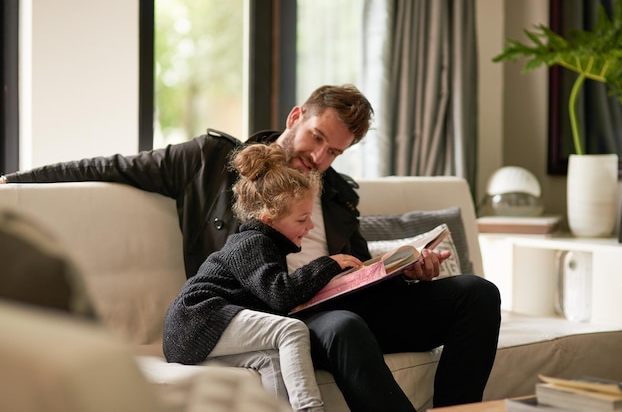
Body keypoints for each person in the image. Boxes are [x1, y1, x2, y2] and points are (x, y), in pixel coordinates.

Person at [1, 84, 501, 410]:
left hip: (347, 301)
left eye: (335, 152)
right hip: (279, 309)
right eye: (317, 138)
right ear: (296, 115)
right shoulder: (213, 161)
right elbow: (111, 166)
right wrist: (13, 181)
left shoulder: (339, 192)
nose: (320, 158)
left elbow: (361, 265)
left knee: (476, 294)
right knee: (344, 326)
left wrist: (403, 271)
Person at [163, 143, 362, 412]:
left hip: (193, 332)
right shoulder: (252, 243)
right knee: (290, 330)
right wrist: (328, 264)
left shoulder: (267, 244)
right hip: (196, 318)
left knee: (270, 359)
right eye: (303, 219)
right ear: (269, 219)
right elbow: (280, 294)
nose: (311, 226)